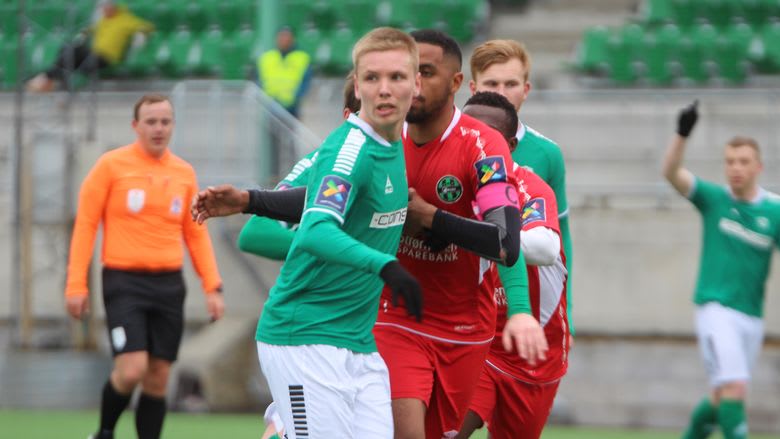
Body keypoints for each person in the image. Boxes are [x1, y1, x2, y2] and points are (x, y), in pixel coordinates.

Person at [193, 27, 424, 438]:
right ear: (358, 87)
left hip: (357, 342)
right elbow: (316, 230)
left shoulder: (393, 147)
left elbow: (319, 202)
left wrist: (250, 198)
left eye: (396, 77)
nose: (385, 89)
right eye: (372, 78)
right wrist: (384, 265)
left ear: (415, 84)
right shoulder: (348, 150)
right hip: (305, 339)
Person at [373, 29, 525, 439]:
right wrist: (250, 199)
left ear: (457, 82)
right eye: (406, 73)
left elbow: (506, 244)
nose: (414, 85)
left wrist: (431, 218)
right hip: (395, 316)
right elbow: (327, 195)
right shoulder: (376, 135)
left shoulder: (484, 146)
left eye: (426, 72)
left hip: (466, 329)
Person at [64, 94, 225, 439]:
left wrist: (212, 286)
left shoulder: (183, 172)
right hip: (124, 283)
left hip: (169, 285)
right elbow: (86, 225)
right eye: (151, 121)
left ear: (173, 126)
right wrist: (76, 284)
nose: (158, 128)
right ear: (135, 126)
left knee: (158, 377)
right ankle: (104, 431)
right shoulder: (111, 166)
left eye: (165, 121)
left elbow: (195, 233)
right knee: (132, 369)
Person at [662, 101, 780, 439]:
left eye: (743, 161)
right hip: (716, 310)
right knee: (735, 388)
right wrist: (682, 134)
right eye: (730, 161)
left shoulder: (774, 212)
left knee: (721, 398)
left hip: (751, 316)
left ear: (759, 166)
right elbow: (672, 173)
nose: (735, 168)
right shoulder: (715, 199)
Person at [456, 92, 569, 439]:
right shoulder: (451, 183)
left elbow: (544, 248)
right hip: (478, 337)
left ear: (510, 146)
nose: (477, 141)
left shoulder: (531, 188)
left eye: (487, 134)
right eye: (468, 131)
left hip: (533, 348)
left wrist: (453, 229)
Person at [469, 39, 575, 340]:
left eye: (511, 84)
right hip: (468, 297)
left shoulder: (546, 154)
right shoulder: (456, 142)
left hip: (525, 302)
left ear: (526, 89)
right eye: (492, 83)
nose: (501, 93)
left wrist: (568, 310)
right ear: (474, 88)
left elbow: (562, 235)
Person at [237, 73, 361, 261]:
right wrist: (337, 254)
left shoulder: (397, 156)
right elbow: (254, 233)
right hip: (280, 105)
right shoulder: (325, 163)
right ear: (349, 117)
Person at [27, 1, 154, 92]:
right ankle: (48, 78)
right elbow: (91, 29)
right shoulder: (103, 20)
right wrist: (83, 34)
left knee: (84, 64)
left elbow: (146, 26)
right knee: (71, 50)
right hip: (94, 51)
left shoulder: (126, 20)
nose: (103, 9)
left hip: (107, 57)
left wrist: (141, 34)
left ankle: (50, 81)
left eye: (105, 6)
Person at [257, 26, 313, 119]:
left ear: (293, 39)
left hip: (292, 106)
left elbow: (306, 81)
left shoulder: (302, 57)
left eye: (287, 37)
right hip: (270, 105)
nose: (284, 40)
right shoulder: (267, 57)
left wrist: (296, 97)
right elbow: (259, 79)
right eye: (281, 37)